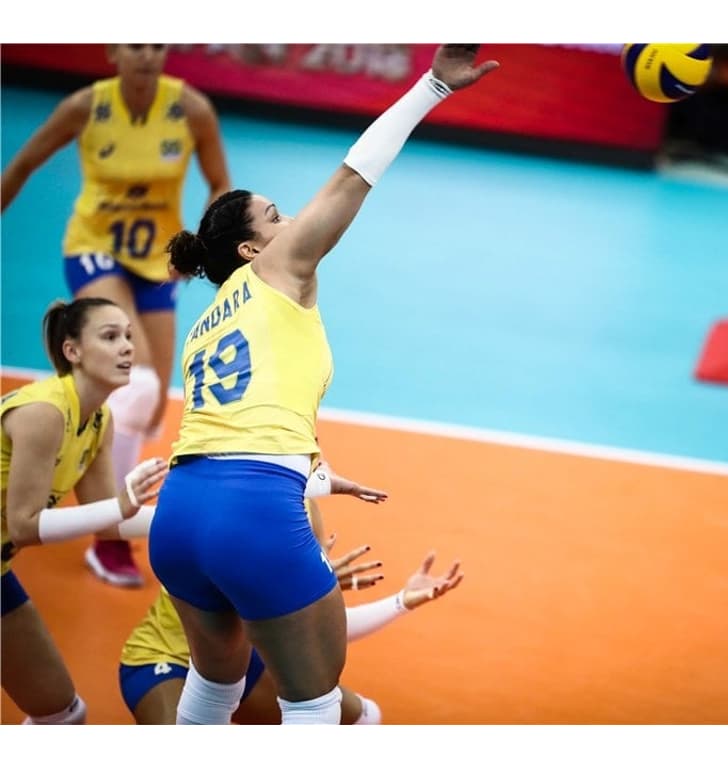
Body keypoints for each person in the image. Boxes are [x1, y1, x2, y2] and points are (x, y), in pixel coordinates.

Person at [146, 44, 498, 725]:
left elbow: (246, 417)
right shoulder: (280, 270)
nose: (291, 224)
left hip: (180, 514)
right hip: (251, 512)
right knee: (313, 703)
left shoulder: (207, 325)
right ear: (253, 249)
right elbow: (352, 177)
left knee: (214, 689)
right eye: (276, 217)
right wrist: (430, 87)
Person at [1, 43, 230, 588]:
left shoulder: (191, 108)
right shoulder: (85, 106)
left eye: (157, 45)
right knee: (138, 385)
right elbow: (27, 161)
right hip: (94, 249)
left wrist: (195, 247)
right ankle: (109, 540)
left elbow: (220, 182)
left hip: (158, 263)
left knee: (148, 407)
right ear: (113, 52)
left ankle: (92, 487)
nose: (148, 56)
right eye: (136, 45)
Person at [1, 297, 168, 724]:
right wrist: (119, 505)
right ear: (72, 351)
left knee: (61, 713)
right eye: (110, 337)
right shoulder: (43, 412)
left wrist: (191, 523)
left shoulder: (99, 420)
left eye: (129, 336)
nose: (128, 347)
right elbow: (24, 525)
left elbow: (108, 522)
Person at [120, 530, 464, 725]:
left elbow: (309, 629)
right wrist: (298, 587)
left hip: (240, 658)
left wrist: (400, 601)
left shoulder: (297, 520)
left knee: (362, 719)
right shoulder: (208, 513)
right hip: (165, 660)